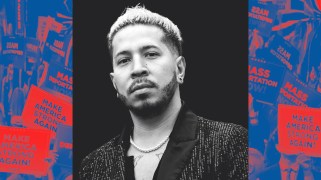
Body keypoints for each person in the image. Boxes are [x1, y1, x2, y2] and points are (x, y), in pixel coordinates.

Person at [79, 5, 248, 180]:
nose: (137, 69)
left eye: (151, 54)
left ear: (179, 69)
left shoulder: (229, 142)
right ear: (114, 82)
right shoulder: (93, 166)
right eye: (124, 60)